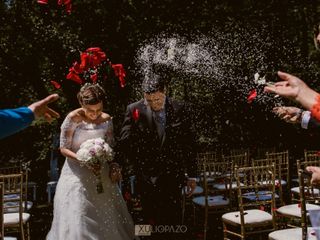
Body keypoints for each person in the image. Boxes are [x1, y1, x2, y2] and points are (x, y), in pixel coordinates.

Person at [46, 83, 136, 240]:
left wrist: (114, 165)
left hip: (101, 173)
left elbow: (110, 147)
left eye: (99, 110)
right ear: (82, 104)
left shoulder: (107, 119)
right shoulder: (72, 118)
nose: (95, 114)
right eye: (90, 110)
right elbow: (64, 148)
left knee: (106, 215)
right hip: (77, 174)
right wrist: (82, 159)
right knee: (80, 216)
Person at [116, 73, 196, 238]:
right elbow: (124, 142)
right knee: (146, 220)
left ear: (164, 91)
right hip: (145, 177)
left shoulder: (181, 108)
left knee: (173, 221)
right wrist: (128, 163)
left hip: (173, 175)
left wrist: (192, 175)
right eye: (149, 101)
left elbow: (189, 143)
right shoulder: (133, 109)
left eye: (157, 100)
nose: (153, 104)